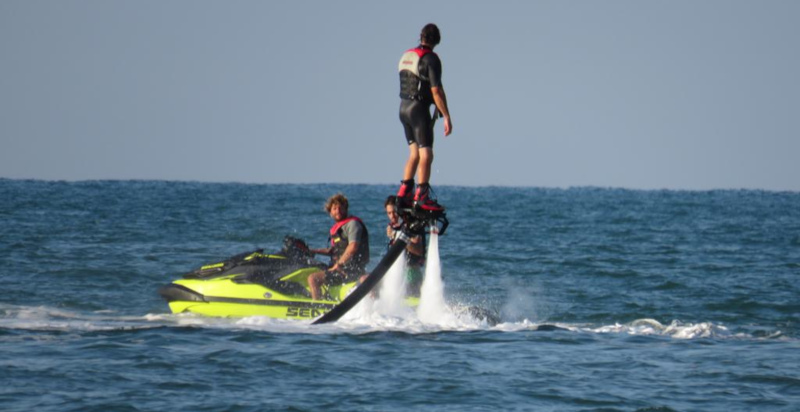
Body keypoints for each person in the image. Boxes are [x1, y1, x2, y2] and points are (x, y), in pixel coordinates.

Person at [396, 23, 453, 212]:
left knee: (414, 154)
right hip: (418, 110)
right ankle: (422, 197)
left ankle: (403, 194)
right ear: (437, 40)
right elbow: (436, 90)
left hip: (403, 109)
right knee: (426, 154)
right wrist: (446, 116)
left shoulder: (406, 55)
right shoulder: (431, 59)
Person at [307, 194, 370, 301]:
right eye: (334, 208)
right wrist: (311, 251)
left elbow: (353, 246)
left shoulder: (353, 224)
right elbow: (333, 251)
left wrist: (339, 264)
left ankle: (317, 308)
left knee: (313, 279)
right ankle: (325, 301)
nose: (338, 211)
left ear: (346, 208)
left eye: (341, 207)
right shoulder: (337, 228)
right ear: (330, 212)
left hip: (351, 270)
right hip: (342, 268)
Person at [384, 196, 426, 296]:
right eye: (389, 213)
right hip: (395, 273)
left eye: (394, 212)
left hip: (411, 273)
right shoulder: (392, 227)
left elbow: (418, 251)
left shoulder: (411, 225)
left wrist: (396, 236)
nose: (392, 216)